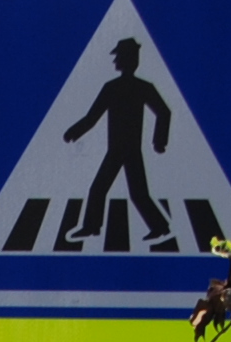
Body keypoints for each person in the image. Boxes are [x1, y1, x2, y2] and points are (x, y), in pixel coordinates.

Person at [62, 37, 176, 254]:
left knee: (115, 190)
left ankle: (157, 227)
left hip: (124, 150)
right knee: (128, 192)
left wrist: (159, 141)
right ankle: (156, 227)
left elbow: (164, 112)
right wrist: (73, 132)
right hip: (121, 149)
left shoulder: (128, 87)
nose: (115, 62)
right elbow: (93, 117)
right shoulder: (119, 87)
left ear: (128, 60)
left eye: (118, 57)